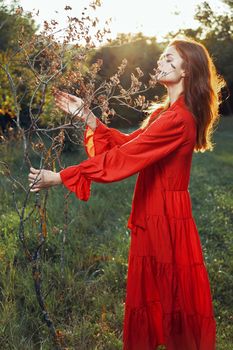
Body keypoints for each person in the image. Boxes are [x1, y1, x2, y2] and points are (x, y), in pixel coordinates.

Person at [28, 36, 225, 350]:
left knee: (173, 295)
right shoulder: (164, 114)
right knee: (154, 290)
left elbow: (123, 160)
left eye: (171, 59)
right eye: (162, 57)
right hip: (153, 211)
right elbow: (130, 147)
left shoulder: (178, 119)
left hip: (166, 217)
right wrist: (87, 116)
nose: (161, 63)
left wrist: (63, 176)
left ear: (187, 71)